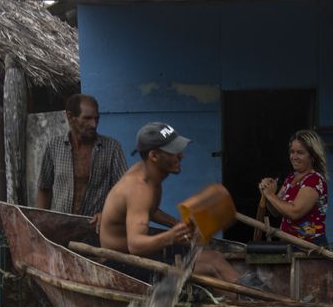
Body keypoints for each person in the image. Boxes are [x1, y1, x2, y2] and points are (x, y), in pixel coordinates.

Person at [99, 122, 253, 288]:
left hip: (141, 254)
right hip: (120, 263)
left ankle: (254, 296)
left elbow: (148, 210)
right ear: (154, 156)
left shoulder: (147, 172)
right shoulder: (139, 189)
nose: (181, 156)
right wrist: (171, 236)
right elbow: (135, 245)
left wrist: (176, 224)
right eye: (173, 151)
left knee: (215, 257)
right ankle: (250, 303)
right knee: (208, 269)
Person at [36, 94, 127, 232]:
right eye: (88, 118)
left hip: (95, 229)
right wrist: (41, 224)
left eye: (97, 119)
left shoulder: (112, 148)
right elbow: (44, 188)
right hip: (60, 228)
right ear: (71, 117)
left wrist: (107, 214)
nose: (94, 124)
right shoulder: (54, 146)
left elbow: (124, 192)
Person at [258, 130, 328, 246]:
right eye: (292, 152)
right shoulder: (291, 178)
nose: (294, 157)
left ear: (312, 156)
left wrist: (270, 195)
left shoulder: (314, 180)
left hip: (309, 248)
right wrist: (267, 192)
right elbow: (275, 211)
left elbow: (295, 212)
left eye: (300, 153)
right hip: (288, 244)